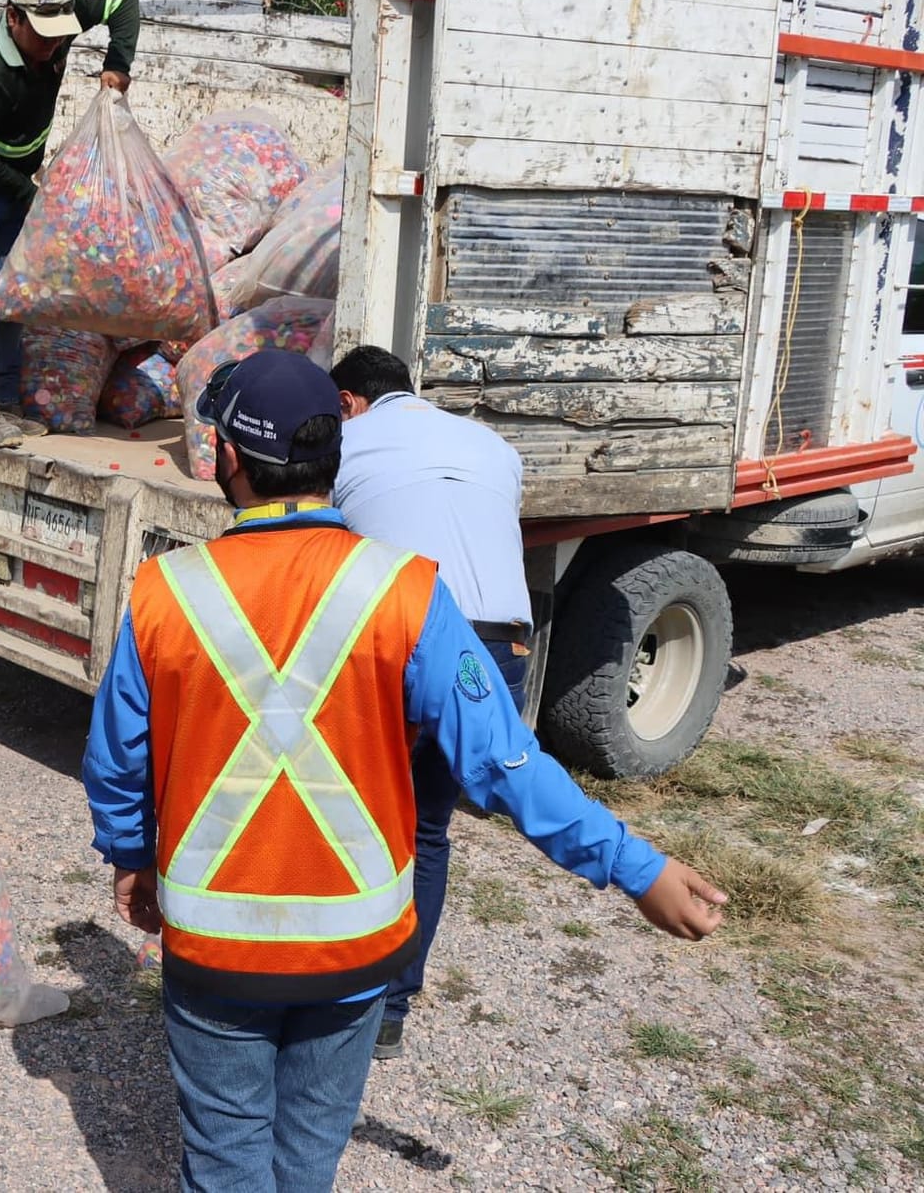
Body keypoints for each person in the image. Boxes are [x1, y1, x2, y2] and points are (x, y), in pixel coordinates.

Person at [81, 350, 726, 1192]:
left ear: (228, 458)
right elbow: (504, 763)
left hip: (215, 949)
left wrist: (130, 857)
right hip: (354, 951)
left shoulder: (163, 592)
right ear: (337, 454)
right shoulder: (411, 592)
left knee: (224, 1159)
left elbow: (117, 759)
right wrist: (638, 870)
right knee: (309, 1158)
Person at [327, 343, 534, 1062]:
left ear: (347, 401)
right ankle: (391, 1011)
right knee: (427, 834)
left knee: (346, 819)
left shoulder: (344, 440)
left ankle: (332, 996)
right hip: (500, 650)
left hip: (405, 640)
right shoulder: (493, 444)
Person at [0, 0, 141, 448]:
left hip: (11, 178)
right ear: (13, 18)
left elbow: (123, 0)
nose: (52, 47)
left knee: (13, 291)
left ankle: (4, 401)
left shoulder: (57, 21)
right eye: (42, 37)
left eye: (58, 37)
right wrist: (36, 196)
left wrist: (118, 63)